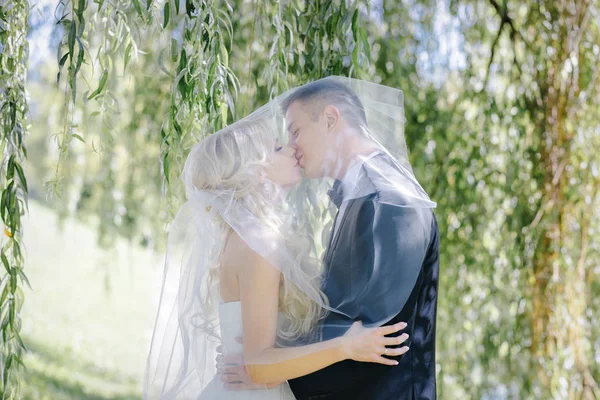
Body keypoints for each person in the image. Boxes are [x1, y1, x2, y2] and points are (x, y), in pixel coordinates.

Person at [143, 114, 409, 400]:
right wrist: (346, 346)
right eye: (277, 148)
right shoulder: (259, 244)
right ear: (254, 172)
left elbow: (256, 349)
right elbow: (258, 367)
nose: (292, 149)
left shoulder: (245, 238)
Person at [219, 77, 440, 399]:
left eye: (295, 131)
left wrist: (268, 372)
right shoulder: (362, 197)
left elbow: (372, 335)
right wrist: (264, 358)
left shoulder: (393, 203)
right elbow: (337, 320)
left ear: (330, 119)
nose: (292, 146)